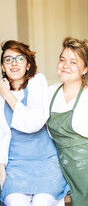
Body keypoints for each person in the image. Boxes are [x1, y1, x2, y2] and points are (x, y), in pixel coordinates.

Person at [0, 40, 70, 206]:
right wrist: (1, 166)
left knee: (43, 202)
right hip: (15, 164)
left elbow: (34, 123)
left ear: (28, 65)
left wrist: (7, 94)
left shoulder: (37, 82)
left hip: (45, 161)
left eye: (20, 58)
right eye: (8, 59)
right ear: (2, 67)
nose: (14, 63)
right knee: (14, 202)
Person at [47, 37, 88, 206]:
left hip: (84, 171)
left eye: (73, 62)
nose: (65, 65)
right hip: (58, 170)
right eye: (62, 60)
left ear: (85, 69)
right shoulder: (49, 93)